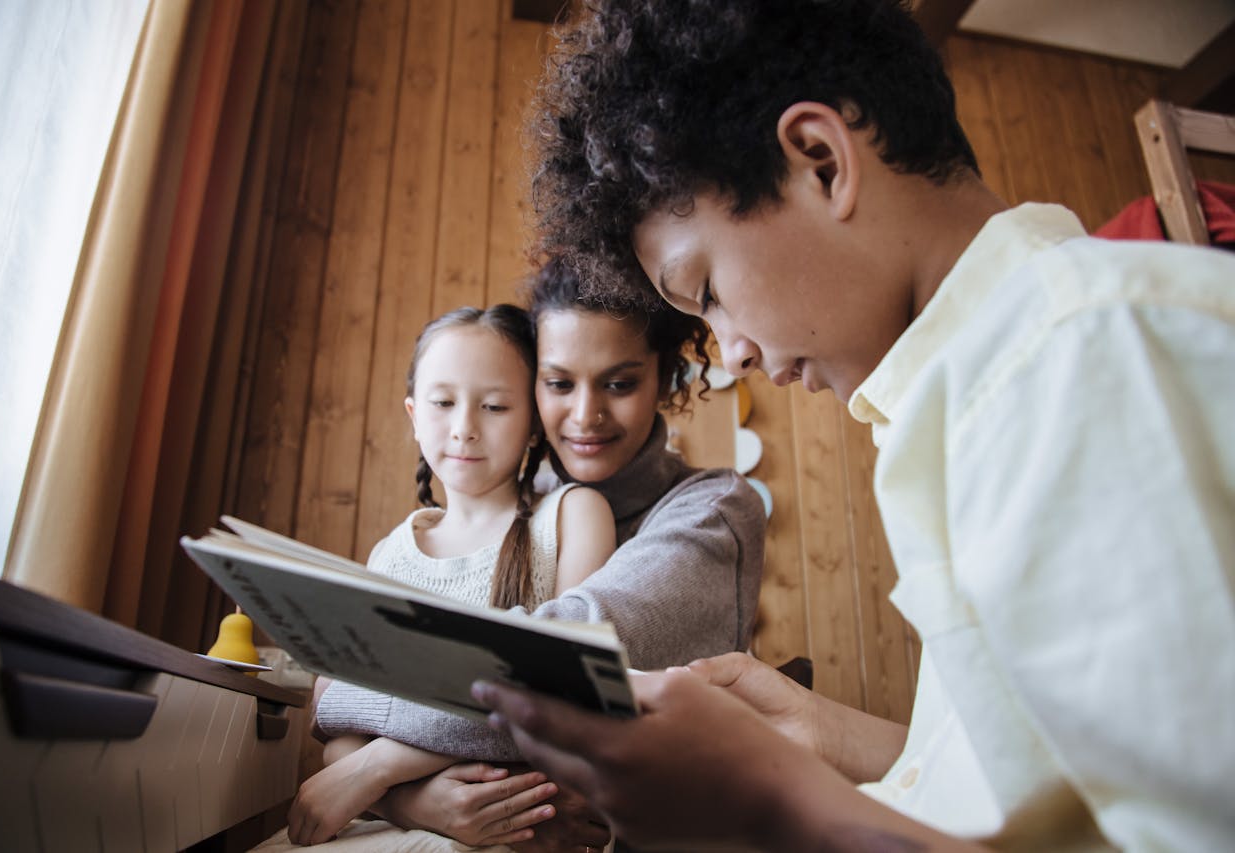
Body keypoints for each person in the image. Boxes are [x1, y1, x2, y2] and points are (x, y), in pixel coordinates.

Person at [472, 1, 1235, 851]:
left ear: (822, 163)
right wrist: (819, 741)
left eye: (709, 291)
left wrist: (774, 802)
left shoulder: (1076, 358)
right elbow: (1039, 793)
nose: (733, 353)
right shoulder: (979, 392)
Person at [301, 261, 768, 850]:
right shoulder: (511, 514)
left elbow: (560, 662)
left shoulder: (710, 510)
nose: (584, 416)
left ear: (665, 378)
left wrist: (366, 738)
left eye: (620, 383)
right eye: (558, 383)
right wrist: (412, 800)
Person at [283, 304, 618, 846]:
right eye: (443, 403)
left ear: (533, 422)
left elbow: (560, 696)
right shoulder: (389, 557)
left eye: (493, 406)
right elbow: (341, 728)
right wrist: (416, 806)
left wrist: (385, 767)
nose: (464, 429)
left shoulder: (572, 517)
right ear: (414, 415)